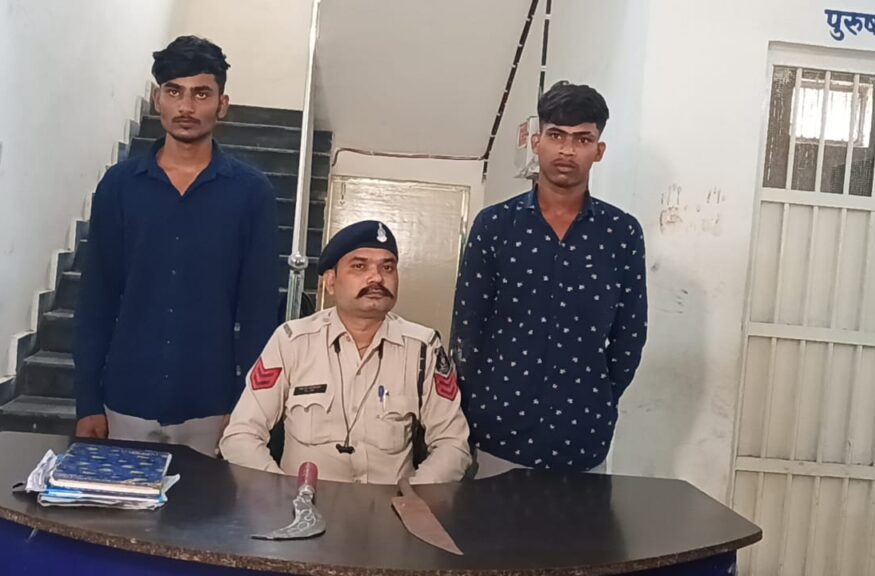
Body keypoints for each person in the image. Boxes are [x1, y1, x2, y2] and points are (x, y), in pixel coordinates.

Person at [73, 36, 279, 456]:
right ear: (157, 100)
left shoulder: (251, 193)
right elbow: (97, 298)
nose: (186, 106)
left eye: (201, 94)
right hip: (125, 401)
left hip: (211, 405)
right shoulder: (119, 186)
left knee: (205, 503)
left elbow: (258, 313)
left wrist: (247, 408)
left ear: (222, 104)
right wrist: (88, 401)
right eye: (174, 92)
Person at [451, 82, 647, 475]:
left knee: (583, 521)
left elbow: (629, 336)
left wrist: (599, 398)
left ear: (599, 150)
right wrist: (478, 404)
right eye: (557, 135)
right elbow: (467, 329)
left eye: (582, 139)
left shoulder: (621, 234)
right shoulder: (495, 226)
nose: (567, 150)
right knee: (489, 520)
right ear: (537, 142)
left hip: (583, 437)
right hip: (497, 432)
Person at [221, 221, 471, 484]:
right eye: (359, 266)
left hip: (392, 504)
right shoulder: (292, 341)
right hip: (302, 501)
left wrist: (413, 496)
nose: (377, 278)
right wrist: (278, 493)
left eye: (387, 267)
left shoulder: (423, 347)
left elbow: (453, 444)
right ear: (330, 282)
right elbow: (241, 434)